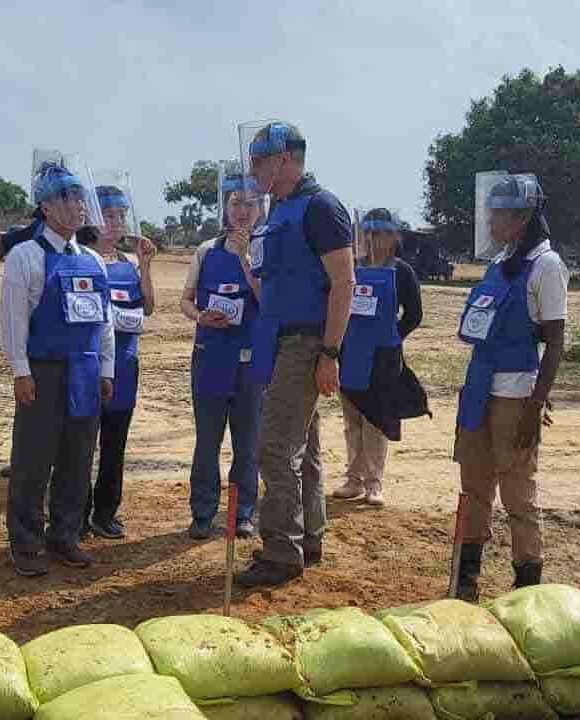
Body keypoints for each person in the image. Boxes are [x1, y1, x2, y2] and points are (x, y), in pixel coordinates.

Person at [235, 121, 356, 588]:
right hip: (280, 339)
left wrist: (330, 352)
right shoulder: (281, 208)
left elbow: (344, 283)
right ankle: (308, 538)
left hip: (306, 343)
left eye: (259, 160)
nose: (254, 169)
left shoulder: (321, 207)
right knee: (303, 450)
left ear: (284, 158)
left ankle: (281, 551)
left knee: (275, 447)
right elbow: (277, 282)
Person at [451, 173, 568, 602]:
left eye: (497, 213)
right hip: (478, 389)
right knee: (474, 487)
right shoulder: (498, 265)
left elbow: (555, 342)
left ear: (521, 218)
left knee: (517, 492)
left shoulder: (546, 266)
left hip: (516, 396)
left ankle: (527, 589)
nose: (491, 221)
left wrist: (536, 407)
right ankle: (465, 584)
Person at [0, 155, 114, 577]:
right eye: (65, 198)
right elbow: (13, 319)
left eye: (78, 197)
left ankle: (65, 535)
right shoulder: (25, 256)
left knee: (78, 458)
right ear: (45, 207)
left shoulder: (93, 259)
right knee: (33, 459)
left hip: (85, 373)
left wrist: (107, 370)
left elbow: (105, 321)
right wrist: (20, 369)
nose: (76, 205)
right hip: (43, 371)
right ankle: (26, 542)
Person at [181, 167, 264, 541]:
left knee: (247, 444)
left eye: (249, 203)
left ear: (261, 207)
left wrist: (248, 260)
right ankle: (202, 512)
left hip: (249, 365)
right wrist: (201, 316)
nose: (242, 211)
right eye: (235, 203)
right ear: (225, 208)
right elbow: (184, 300)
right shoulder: (205, 251)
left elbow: (268, 299)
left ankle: (244, 513)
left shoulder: (265, 251)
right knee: (207, 442)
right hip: (209, 358)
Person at [78, 181, 156, 540]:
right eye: (109, 214)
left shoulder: (127, 264)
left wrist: (146, 266)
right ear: (93, 217)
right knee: (80, 445)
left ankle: (106, 512)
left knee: (115, 444)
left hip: (126, 366)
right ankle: (75, 514)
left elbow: (149, 307)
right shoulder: (79, 258)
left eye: (121, 215)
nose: (117, 222)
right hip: (89, 368)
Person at [333, 208, 427, 507]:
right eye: (370, 233)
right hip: (351, 354)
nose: (375, 239)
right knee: (352, 421)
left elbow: (414, 314)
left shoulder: (402, 272)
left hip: (383, 358)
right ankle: (353, 479)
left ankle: (374, 483)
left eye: (382, 233)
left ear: (394, 236)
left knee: (375, 420)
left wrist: (392, 338)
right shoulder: (352, 268)